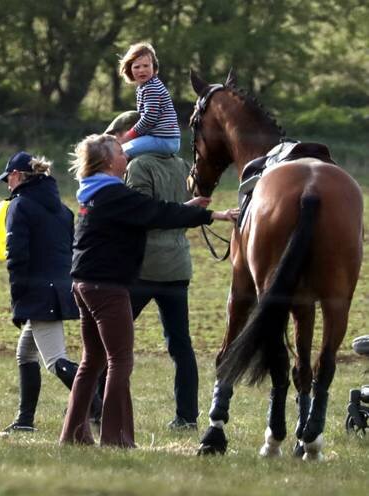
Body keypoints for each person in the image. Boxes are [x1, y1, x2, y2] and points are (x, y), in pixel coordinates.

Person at [59, 134, 237, 448]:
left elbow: (150, 212)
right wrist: (211, 215)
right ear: (108, 161)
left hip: (85, 283)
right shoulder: (114, 193)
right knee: (120, 361)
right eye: (120, 151)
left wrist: (186, 209)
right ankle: (115, 439)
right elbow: (155, 212)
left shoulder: (95, 192)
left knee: (93, 361)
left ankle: (74, 436)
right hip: (107, 286)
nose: (126, 154)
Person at [106, 111, 199, 430]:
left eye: (119, 138)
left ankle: (98, 408)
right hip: (177, 264)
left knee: (111, 340)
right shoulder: (182, 165)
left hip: (142, 267)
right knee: (181, 345)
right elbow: (187, 207)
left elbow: (140, 214)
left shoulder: (138, 166)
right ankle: (187, 417)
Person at [0, 151, 101, 433]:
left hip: (38, 292)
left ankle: (96, 403)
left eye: (8, 179)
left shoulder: (19, 207)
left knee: (54, 361)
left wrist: (18, 298)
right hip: (61, 288)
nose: (7, 185)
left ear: (17, 176)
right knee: (25, 353)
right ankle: (24, 421)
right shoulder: (64, 210)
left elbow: (16, 257)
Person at [117, 42, 180, 159]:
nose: (142, 70)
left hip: (163, 139)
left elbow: (149, 118)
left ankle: (118, 177)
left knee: (119, 152)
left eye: (146, 66)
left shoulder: (151, 87)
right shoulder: (145, 86)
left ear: (154, 67)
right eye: (137, 67)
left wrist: (129, 135)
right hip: (159, 139)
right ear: (129, 70)